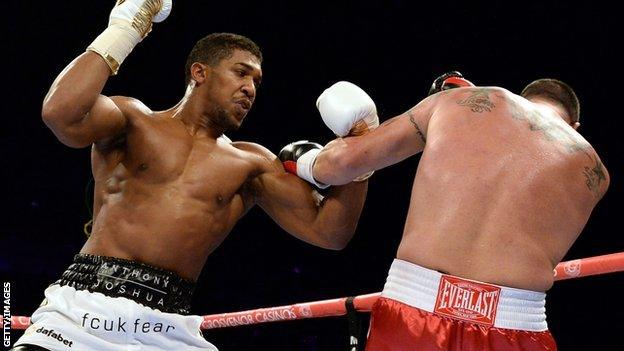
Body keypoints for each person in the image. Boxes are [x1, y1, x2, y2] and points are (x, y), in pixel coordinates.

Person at [11, 1, 369, 350]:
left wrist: (360, 150)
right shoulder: (133, 121)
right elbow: (62, 112)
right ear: (200, 73)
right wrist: (124, 30)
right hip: (82, 310)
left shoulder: (251, 162)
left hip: (166, 327)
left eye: (257, 81)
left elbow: (329, 232)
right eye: (241, 73)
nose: (250, 89)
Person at [298, 73, 609, 350]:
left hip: (414, 311)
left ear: (520, 97)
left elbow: (341, 165)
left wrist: (306, 163)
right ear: (575, 126)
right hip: (518, 327)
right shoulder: (595, 173)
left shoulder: (457, 100)